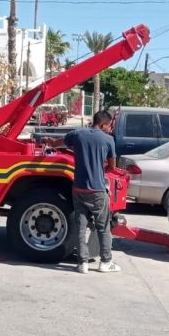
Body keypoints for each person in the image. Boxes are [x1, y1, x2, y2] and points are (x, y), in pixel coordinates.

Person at [43, 110, 120, 273]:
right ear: (102, 124)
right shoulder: (108, 140)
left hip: (78, 188)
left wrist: (47, 140)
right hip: (97, 190)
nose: (109, 129)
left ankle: (82, 263)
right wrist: (100, 169)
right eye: (108, 126)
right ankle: (106, 262)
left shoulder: (77, 134)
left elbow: (57, 143)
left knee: (80, 227)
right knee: (103, 227)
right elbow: (112, 166)